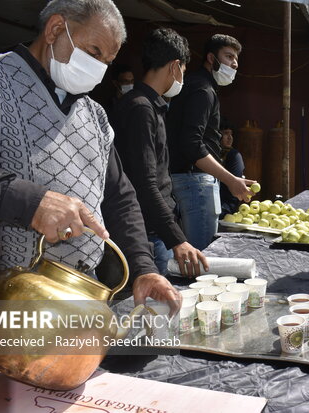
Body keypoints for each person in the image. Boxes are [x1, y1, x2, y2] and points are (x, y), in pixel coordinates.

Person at [0, 0, 180, 309]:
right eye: (93, 53)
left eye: (107, 60)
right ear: (54, 30)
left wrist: (143, 268)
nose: (99, 68)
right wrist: (28, 202)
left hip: (78, 303)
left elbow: (119, 197)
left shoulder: (95, 116)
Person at [110, 28, 208, 277]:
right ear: (175, 66)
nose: (182, 78)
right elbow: (144, 183)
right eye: (183, 71)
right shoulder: (140, 109)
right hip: (146, 233)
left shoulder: (150, 106)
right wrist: (176, 239)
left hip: (152, 229)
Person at [166, 34, 254, 250]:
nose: (234, 63)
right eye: (228, 56)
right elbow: (192, 143)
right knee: (203, 254)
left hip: (188, 179)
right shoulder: (203, 90)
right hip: (195, 182)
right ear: (211, 58)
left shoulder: (198, 85)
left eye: (236, 58)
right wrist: (231, 179)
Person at [218, 118, 245, 217]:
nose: (230, 138)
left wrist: (225, 210)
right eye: (225, 133)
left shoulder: (233, 155)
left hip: (224, 209)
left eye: (231, 134)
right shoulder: (210, 155)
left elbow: (234, 190)